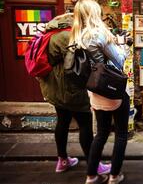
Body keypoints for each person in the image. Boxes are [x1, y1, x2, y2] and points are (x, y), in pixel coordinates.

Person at [38, 13, 110, 175]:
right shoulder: (68, 37)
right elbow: (78, 64)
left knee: (62, 122)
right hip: (71, 89)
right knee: (85, 124)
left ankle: (62, 160)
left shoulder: (50, 35)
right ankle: (94, 165)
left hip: (55, 89)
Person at [70, 0, 129, 184]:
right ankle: (114, 176)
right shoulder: (99, 33)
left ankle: (91, 177)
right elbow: (119, 60)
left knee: (101, 134)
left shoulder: (77, 36)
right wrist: (124, 45)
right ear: (93, 14)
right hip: (112, 89)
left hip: (94, 90)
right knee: (120, 134)